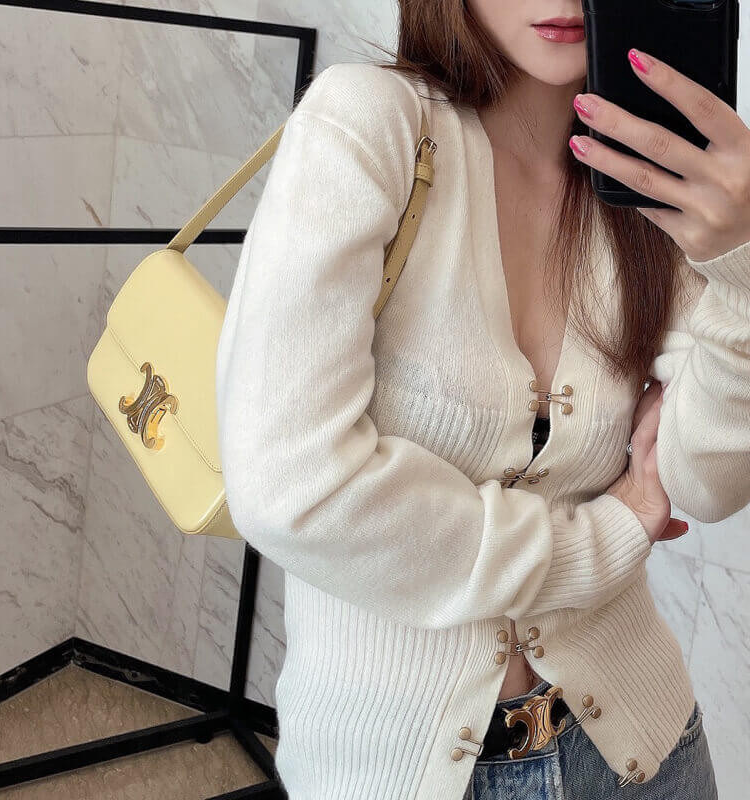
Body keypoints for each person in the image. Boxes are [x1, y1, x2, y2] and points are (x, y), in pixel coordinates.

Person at [216, 1, 750, 797]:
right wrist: (603, 538)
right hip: (395, 768)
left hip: (646, 751)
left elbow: (707, 484)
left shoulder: (653, 180)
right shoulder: (371, 123)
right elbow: (291, 486)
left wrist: (742, 268)